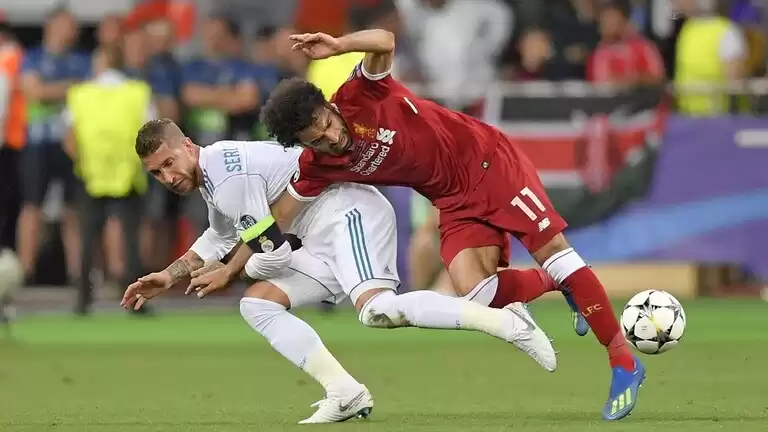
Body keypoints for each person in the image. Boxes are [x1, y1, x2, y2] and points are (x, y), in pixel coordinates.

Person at [245, 29, 642, 420]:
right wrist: (228, 264)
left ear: (328, 106)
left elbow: (385, 40)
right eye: (317, 139)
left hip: (488, 162)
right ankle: (560, 284)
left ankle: (623, 362)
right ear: (305, 145)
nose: (332, 138)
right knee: (478, 292)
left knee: (554, 253)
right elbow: (278, 217)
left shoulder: (360, 93)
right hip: (451, 200)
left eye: (326, 123)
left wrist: (340, 45)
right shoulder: (317, 166)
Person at [121, 119, 556, 423]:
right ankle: (345, 393)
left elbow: (272, 253)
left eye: (169, 163)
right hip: (319, 233)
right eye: (156, 172)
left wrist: (231, 272)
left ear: (187, 145)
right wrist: (169, 275)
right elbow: (219, 236)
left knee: (377, 310)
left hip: (348, 213)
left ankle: (507, 322)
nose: (167, 176)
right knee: (258, 306)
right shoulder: (214, 173)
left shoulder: (227, 178)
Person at [64, 45, 151, 315]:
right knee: (131, 240)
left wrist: (82, 163)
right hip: (128, 174)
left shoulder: (80, 94)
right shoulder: (138, 92)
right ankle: (136, 301)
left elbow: (69, 138)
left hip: (92, 175)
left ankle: (83, 299)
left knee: (87, 239)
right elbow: (151, 131)